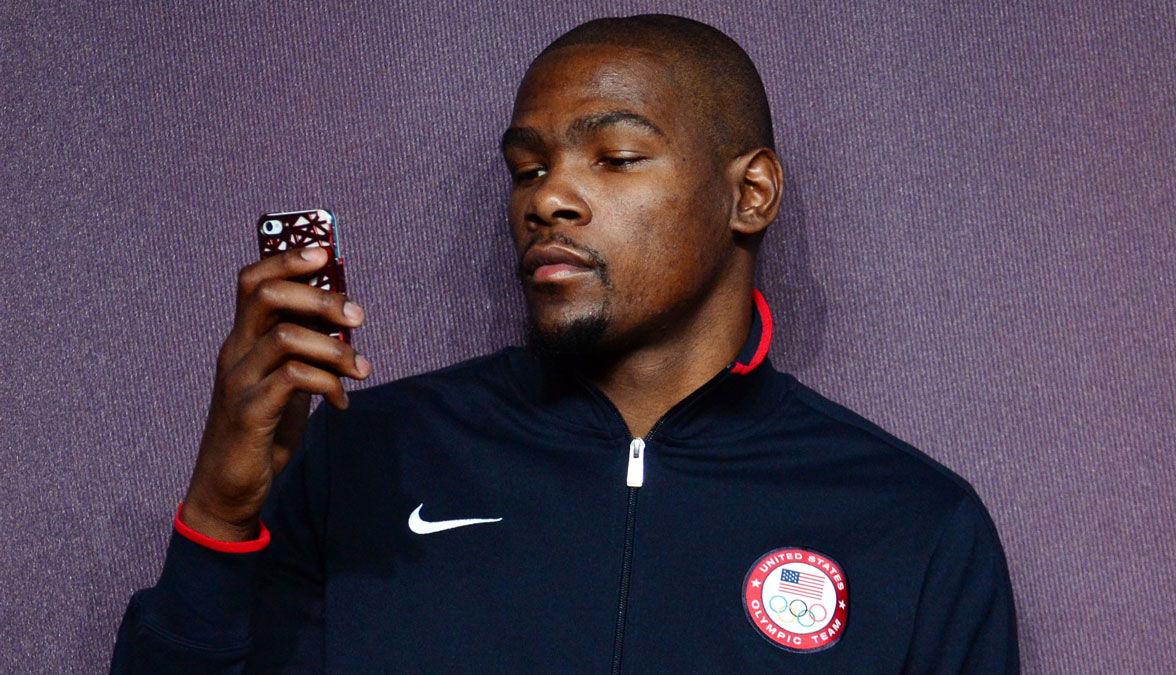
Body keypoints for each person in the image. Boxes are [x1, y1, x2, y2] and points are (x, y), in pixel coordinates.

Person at [111, 13, 1018, 673]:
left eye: (614, 158)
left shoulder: (911, 522)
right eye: (528, 167)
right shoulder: (365, 456)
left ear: (752, 195)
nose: (547, 198)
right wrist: (220, 517)